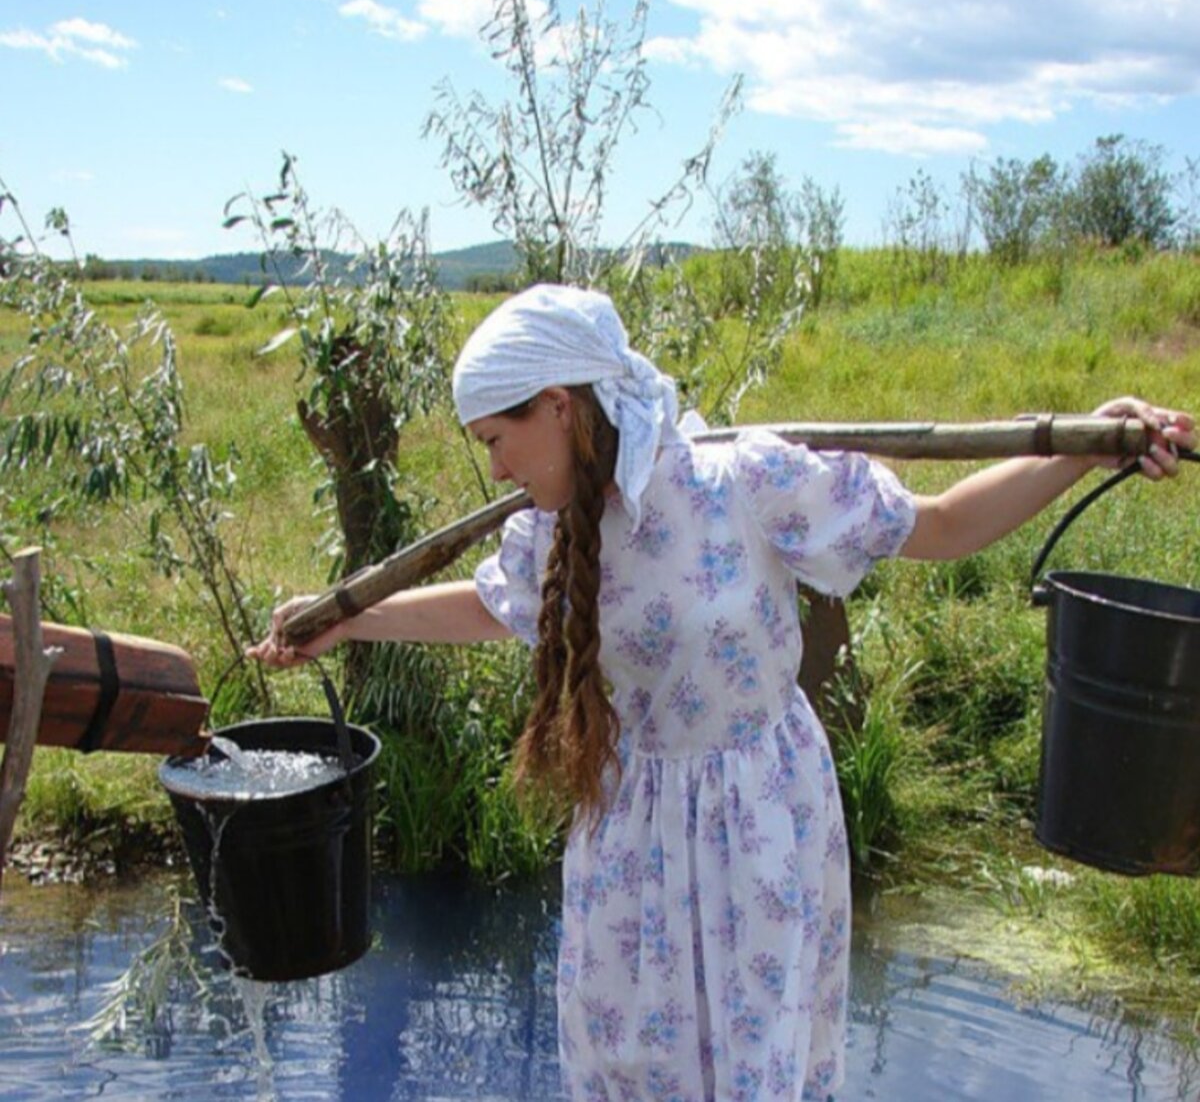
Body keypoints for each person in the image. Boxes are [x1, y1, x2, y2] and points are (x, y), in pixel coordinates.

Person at [248, 284, 1194, 1102]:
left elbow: (941, 525)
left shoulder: (743, 481)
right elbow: (494, 610)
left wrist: (1086, 443)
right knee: (627, 1063)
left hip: (761, 830)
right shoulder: (555, 528)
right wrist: (348, 619)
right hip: (627, 835)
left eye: (499, 439)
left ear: (561, 407)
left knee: (755, 1066)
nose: (493, 468)